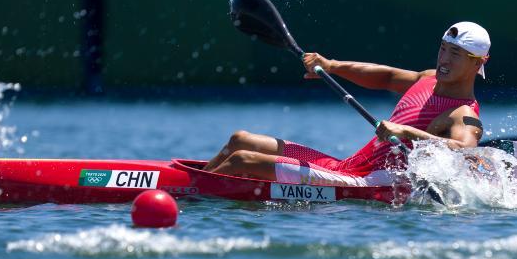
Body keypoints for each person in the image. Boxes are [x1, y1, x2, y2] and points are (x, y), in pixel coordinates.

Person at [203, 22, 490, 186]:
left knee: (243, 161)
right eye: (443, 49)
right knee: (239, 140)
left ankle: (190, 197)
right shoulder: (427, 78)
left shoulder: (464, 114)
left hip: (366, 182)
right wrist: (332, 65)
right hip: (345, 166)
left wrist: (407, 132)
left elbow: (464, 149)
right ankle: (194, 182)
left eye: (456, 54)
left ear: (478, 62)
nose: (444, 59)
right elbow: (387, 77)